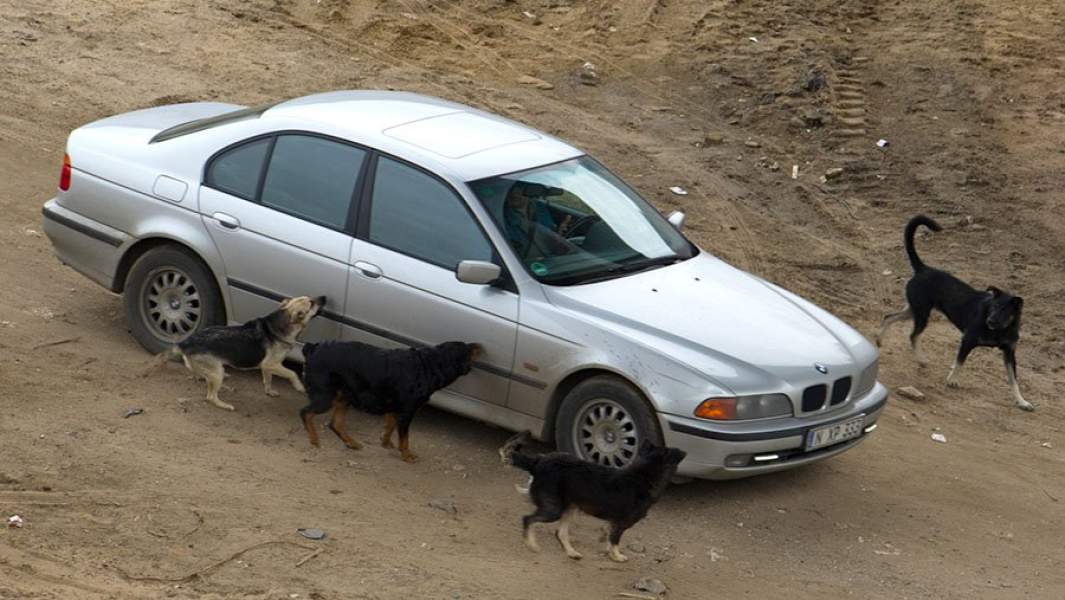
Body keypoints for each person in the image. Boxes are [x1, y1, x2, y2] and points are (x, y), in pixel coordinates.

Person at [501, 182, 574, 260]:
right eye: (510, 189)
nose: (514, 193)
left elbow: (549, 237)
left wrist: (560, 232)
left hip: (554, 259)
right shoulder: (501, 217)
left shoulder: (541, 209)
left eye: (520, 188)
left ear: (532, 191)